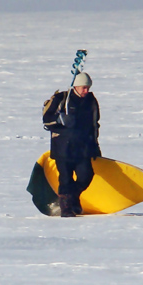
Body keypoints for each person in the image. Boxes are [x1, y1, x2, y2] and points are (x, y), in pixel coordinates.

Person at [42, 72, 101, 217]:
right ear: (76, 86)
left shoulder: (91, 101)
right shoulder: (61, 99)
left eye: (88, 88)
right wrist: (60, 121)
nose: (86, 91)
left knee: (86, 176)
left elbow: (94, 125)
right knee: (65, 178)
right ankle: (66, 208)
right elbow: (46, 120)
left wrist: (95, 146)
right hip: (63, 147)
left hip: (83, 148)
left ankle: (72, 198)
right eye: (83, 88)